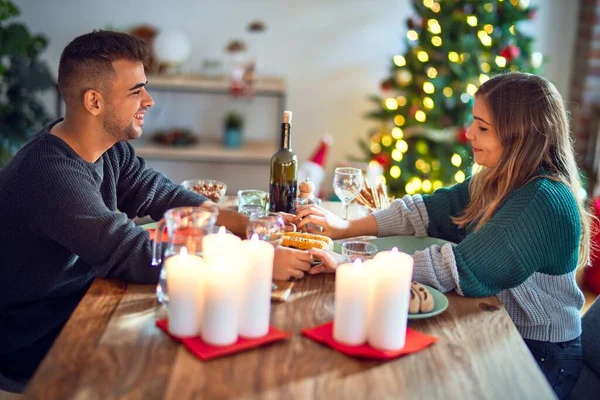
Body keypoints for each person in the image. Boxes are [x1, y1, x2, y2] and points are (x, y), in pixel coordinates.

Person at [0, 30, 311, 387]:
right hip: (35, 342)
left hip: (84, 302)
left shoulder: (108, 147)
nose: (148, 100)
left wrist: (252, 224)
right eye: (135, 91)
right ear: (94, 102)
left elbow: (161, 194)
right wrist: (257, 258)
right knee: (191, 357)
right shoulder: (49, 174)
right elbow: (132, 252)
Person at [294, 72, 590, 400]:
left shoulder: (541, 198)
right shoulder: (500, 178)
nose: (468, 133)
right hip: (507, 328)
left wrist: (353, 262)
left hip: (541, 353)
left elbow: (463, 269)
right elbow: (425, 210)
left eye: (482, 127)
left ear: (520, 135)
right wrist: (345, 229)